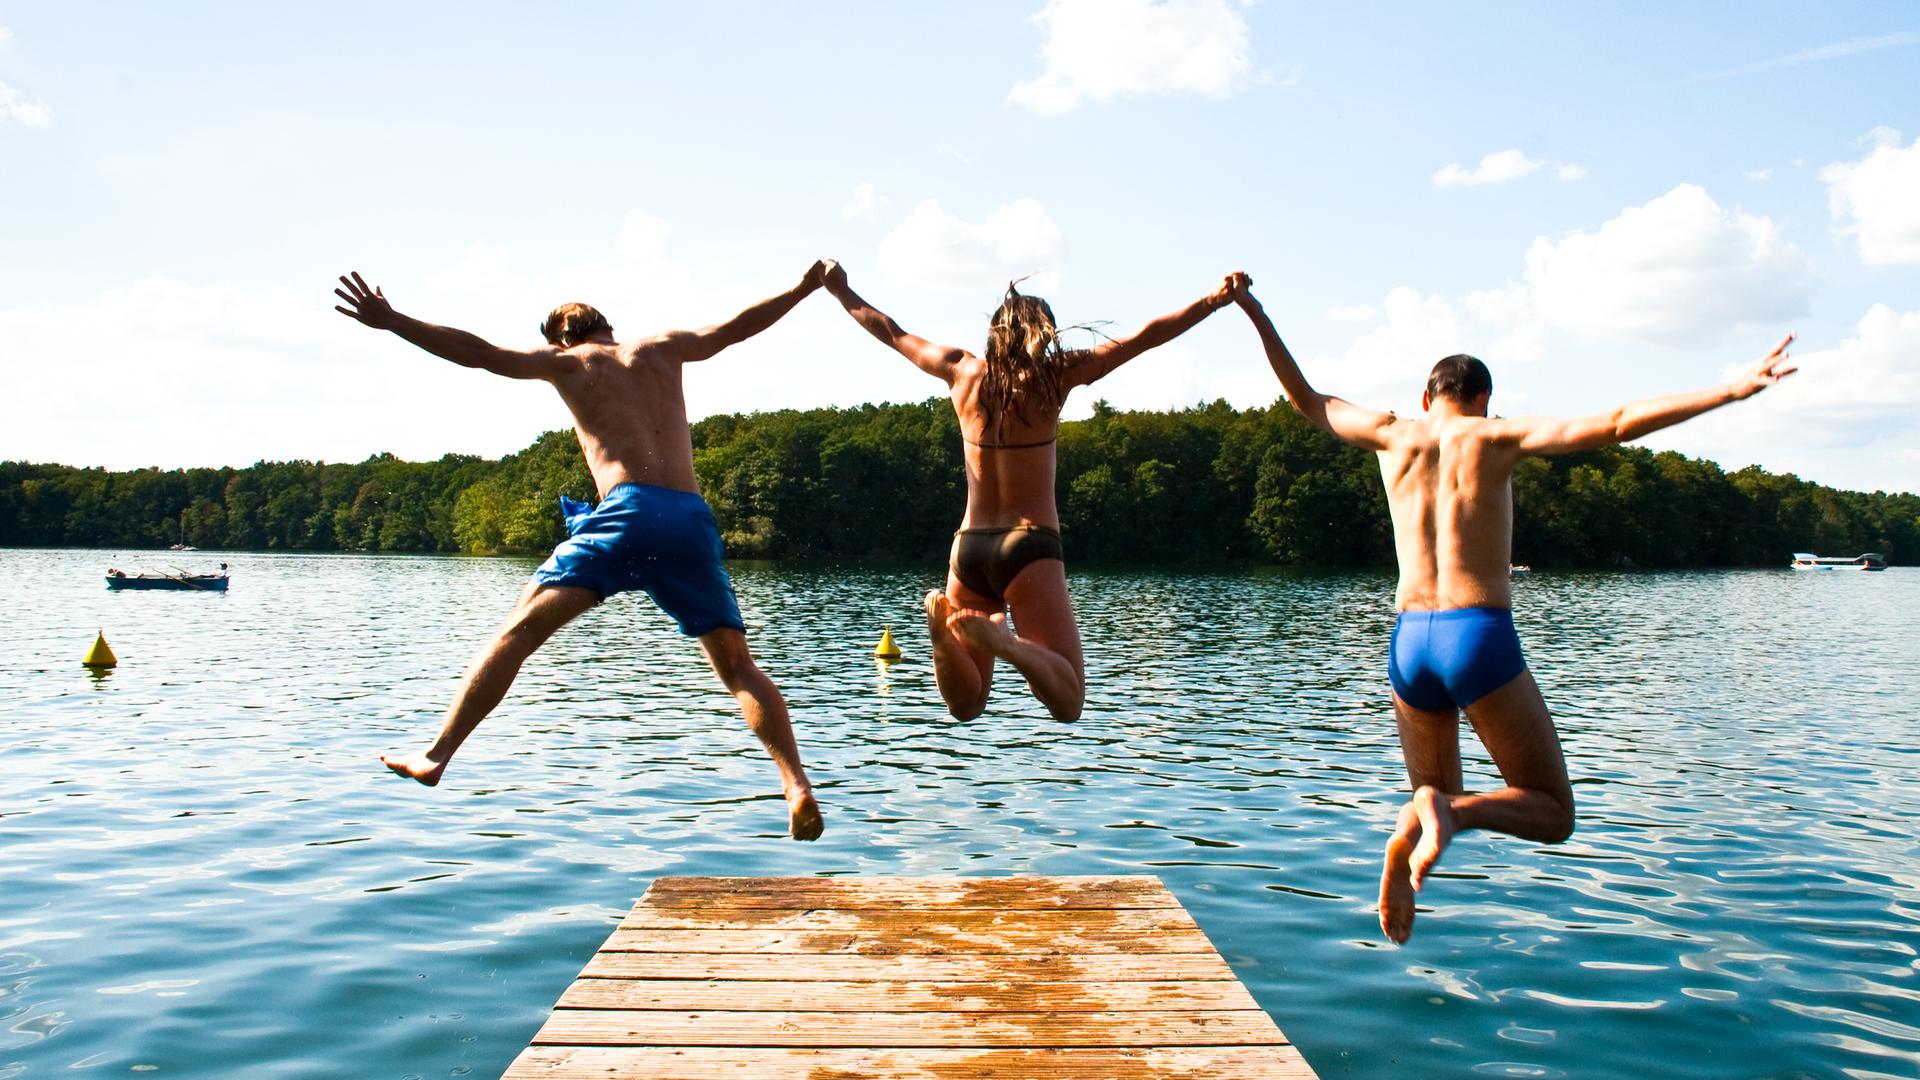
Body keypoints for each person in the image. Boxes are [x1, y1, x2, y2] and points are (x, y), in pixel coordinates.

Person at [1230, 276, 1796, 942]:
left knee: (1428, 793)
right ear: (1483, 400)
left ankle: (1415, 832)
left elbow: (1306, 398)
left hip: (1409, 642)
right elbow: (1614, 423)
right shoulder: (1495, 437)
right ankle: (1455, 816)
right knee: (1553, 812)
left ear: (1426, 398)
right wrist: (1730, 389)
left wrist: (1255, 313)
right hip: (1477, 635)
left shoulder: (1391, 435)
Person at [332, 267, 827, 841]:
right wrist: (800, 289)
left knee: (518, 633)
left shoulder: (567, 363)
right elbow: (737, 327)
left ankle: (437, 754)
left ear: (559, 339)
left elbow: (478, 353)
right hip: (690, 517)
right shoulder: (663, 349)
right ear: (609, 327)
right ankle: (795, 784)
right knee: (737, 666)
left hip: (627, 513)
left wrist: (394, 322)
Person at [820, 260, 1242, 722]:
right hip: (1029, 545)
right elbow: (1144, 336)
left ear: (995, 334)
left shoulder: (960, 372)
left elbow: (892, 332)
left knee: (966, 705)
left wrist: (842, 291)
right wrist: (1213, 301)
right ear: (1043, 333)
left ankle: (942, 637)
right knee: (1069, 702)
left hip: (969, 549)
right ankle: (1009, 646)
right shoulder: (1052, 377)